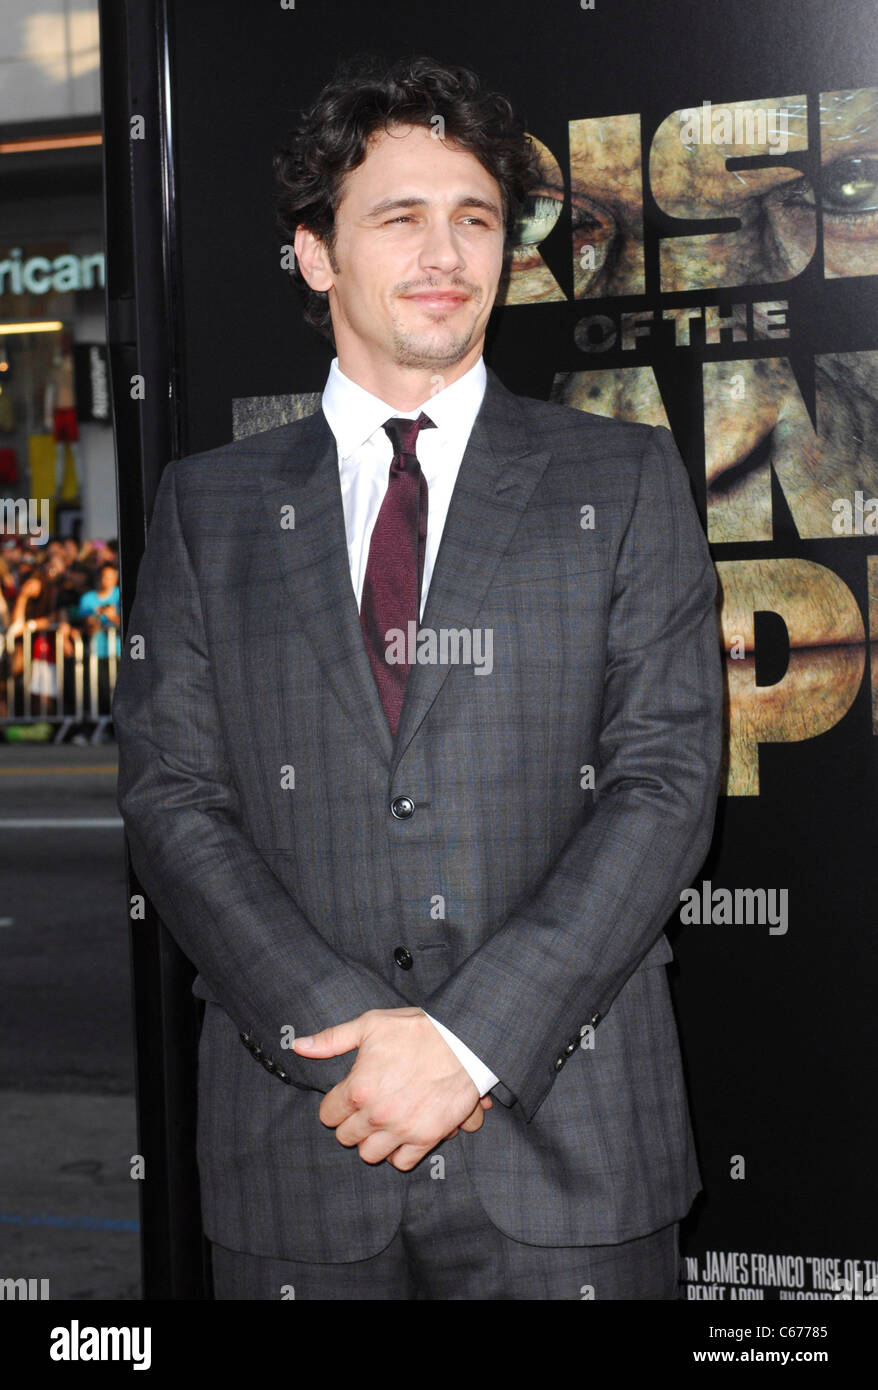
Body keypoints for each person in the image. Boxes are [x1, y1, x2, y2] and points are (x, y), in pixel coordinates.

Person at [113, 53, 723, 1301]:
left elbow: (663, 783)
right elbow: (172, 798)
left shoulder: (621, 481)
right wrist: (346, 1039)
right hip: (304, 1145)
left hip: (574, 1149)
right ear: (316, 254)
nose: (445, 252)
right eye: (398, 216)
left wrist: (468, 1040)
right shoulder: (207, 508)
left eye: (475, 219)